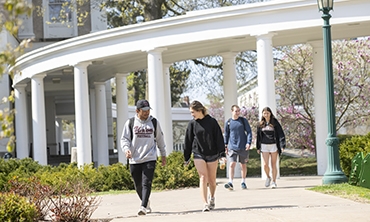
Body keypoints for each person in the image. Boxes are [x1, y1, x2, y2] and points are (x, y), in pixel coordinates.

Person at [121, 99, 167, 216]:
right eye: (144, 111)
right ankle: (146, 202)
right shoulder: (130, 123)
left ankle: (143, 206)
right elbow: (124, 139)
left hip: (150, 157)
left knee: (147, 182)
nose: (147, 113)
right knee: (138, 185)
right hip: (134, 158)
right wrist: (126, 150)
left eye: (148, 110)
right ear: (137, 110)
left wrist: (163, 154)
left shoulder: (154, 122)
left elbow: (160, 139)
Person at [184, 100, 226, 212]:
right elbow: (188, 141)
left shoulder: (212, 122)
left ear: (199, 110)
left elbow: (219, 138)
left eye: (193, 112)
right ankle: (205, 204)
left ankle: (212, 197)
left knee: (212, 180)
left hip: (212, 153)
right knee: (203, 177)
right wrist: (186, 157)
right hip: (198, 153)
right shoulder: (192, 124)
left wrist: (222, 154)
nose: (192, 115)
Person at [256, 107, 286, 189]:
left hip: (273, 145)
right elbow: (258, 136)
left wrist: (282, 145)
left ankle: (274, 181)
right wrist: (258, 147)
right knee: (265, 164)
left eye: (267, 113)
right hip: (264, 145)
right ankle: (268, 177)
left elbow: (280, 134)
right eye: (264, 113)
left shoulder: (275, 122)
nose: (266, 115)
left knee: (273, 164)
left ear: (270, 113)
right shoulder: (260, 124)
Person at [224, 105, 252, 190]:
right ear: (231, 111)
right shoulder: (228, 122)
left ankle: (243, 181)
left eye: (239, 111)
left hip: (243, 146)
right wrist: (225, 145)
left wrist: (248, 142)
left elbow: (249, 132)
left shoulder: (243, 121)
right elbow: (226, 134)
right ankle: (230, 182)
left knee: (243, 165)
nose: (237, 113)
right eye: (236, 111)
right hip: (232, 147)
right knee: (232, 164)